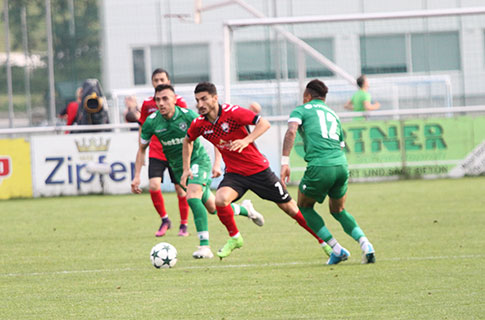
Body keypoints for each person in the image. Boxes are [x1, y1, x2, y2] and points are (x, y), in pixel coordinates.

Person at [181, 81, 333, 260]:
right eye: (197, 100)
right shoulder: (200, 124)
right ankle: (235, 238)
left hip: (258, 171)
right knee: (220, 200)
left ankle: (325, 243)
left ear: (215, 98)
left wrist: (246, 140)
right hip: (235, 174)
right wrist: (186, 169)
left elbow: (264, 124)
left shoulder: (233, 112)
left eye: (204, 99)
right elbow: (187, 140)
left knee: (291, 209)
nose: (200, 104)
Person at [131, 84, 264, 258]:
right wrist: (136, 176)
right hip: (179, 168)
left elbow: (216, 135)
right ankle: (246, 210)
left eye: (165, 98)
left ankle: (204, 246)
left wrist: (217, 164)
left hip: (198, 161)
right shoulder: (151, 122)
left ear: (174, 99)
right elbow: (142, 148)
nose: (161, 103)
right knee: (213, 207)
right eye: (158, 99)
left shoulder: (187, 116)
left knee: (192, 197)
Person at [281, 79, 376, 265]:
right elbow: (341, 144)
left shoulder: (301, 110)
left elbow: (291, 132)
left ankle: (337, 249)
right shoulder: (333, 114)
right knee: (338, 210)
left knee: (304, 207)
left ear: (307, 96)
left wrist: (285, 161)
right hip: (341, 165)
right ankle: (366, 244)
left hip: (319, 166)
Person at [135, 68, 190, 237]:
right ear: (152, 83)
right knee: (153, 185)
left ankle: (184, 224)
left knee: (181, 190)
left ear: (169, 81)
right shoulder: (147, 104)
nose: (159, 83)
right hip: (157, 151)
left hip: (176, 151)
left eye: (162, 80)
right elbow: (143, 128)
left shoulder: (179, 102)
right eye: (156, 80)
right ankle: (165, 219)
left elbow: (189, 130)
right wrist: (141, 153)